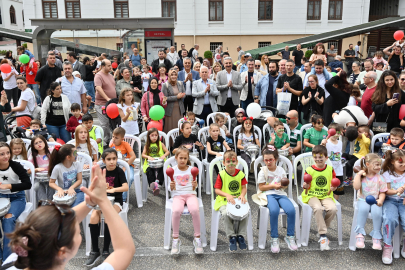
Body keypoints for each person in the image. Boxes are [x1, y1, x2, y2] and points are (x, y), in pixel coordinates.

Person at [4, 161, 135, 269]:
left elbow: (53, 224)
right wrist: (103, 200)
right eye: (77, 232)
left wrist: (89, 204)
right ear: (62, 253)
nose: (75, 221)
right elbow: (125, 250)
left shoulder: (16, 259)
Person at [85, 148, 129, 266]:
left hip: (117, 201)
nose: (112, 162)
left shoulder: (119, 171)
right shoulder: (101, 171)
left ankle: (105, 250)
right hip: (102, 200)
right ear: (103, 160)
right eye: (109, 159)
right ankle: (95, 250)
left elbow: (126, 187)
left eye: (114, 159)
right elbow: (94, 187)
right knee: (94, 216)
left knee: (109, 216)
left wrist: (114, 189)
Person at [256, 146, 298, 253]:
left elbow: (284, 186)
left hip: (281, 194)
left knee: (291, 210)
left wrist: (283, 185)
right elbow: (261, 187)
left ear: (276, 159)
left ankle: (290, 236)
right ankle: (274, 238)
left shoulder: (281, 170)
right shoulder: (263, 171)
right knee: (273, 211)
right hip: (269, 194)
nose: (269, 162)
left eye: (271, 159)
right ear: (263, 160)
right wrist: (273, 186)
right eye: (266, 160)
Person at [167, 146, 203, 255]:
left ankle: (197, 238)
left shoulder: (192, 170)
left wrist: (195, 185)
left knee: (195, 210)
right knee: (177, 211)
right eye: (180, 158)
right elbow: (170, 188)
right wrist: (171, 186)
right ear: (176, 158)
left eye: (185, 158)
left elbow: (194, 187)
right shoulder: (172, 170)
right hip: (178, 196)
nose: (182, 160)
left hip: (191, 195)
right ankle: (175, 239)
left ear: (188, 159)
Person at [301, 145, 338, 251]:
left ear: (326, 157)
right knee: (318, 208)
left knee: (333, 209)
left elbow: (334, 183)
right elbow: (305, 185)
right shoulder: (309, 170)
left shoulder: (330, 169)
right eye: (315, 157)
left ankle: (323, 229)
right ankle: (323, 236)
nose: (318, 159)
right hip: (311, 195)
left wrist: (334, 187)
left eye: (320, 157)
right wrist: (305, 186)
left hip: (326, 195)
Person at [0, 142, 31, 260]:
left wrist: (9, 186)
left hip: (17, 197)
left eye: (8, 153)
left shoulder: (15, 166)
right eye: (1, 154)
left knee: (8, 220)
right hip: (1, 197)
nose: (6, 156)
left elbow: (27, 184)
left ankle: (7, 260)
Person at [214, 150, 248, 252]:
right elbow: (217, 190)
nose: (231, 164)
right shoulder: (221, 174)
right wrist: (227, 195)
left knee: (246, 212)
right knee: (225, 213)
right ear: (224, 163)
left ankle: (241, 235)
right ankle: (232, 236)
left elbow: (244, 188)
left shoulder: (240, 174)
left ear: (237, 162)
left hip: (237, 199)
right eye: (228, 161)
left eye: (233, 161)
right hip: (224, 200)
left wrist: (242, 195)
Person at [352, 153, 386, 251]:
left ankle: (376, 236)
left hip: (375, 200)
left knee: (377, 213)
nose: (379, 167)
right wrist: (358, 174)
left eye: (379, 165)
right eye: (376, 164)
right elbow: (356, 187)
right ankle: (360, 234)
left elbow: (383, 192)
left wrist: (381, 200)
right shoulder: (362, 176)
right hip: (363, 199)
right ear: (367, 164)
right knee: (363, 209)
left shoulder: (380, 178)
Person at [380, 149, 405, 264]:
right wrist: (395, 191)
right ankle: (387, 245)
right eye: (401, 163)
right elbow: (386, 191)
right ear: (392, 162)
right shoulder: (387, 174)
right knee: (389, 219)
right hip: (390, 200)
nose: (403, 165)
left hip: (403, 202)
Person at [48, 144, 84, 208]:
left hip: (77, 191)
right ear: (68, 157)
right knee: (61, 210)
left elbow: (79, 180)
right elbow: (51, 182)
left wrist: (71, 188)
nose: (77, 155)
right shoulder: (57, 168)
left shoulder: (77, 164)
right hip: (63, 193)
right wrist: (59, 189)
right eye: (75, 153)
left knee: (75, 208)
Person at [142, 128, 170, 195]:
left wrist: (164, 156)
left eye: (156, 135)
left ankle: (157, 182)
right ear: (149, 136)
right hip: (150, 163)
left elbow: (167, 152)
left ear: (158, 136)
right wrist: (148, 156)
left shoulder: (161, 144)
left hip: (160, 162)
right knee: (149, 170)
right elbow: (143, 154)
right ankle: (154, 187)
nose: (154, 137)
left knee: (164, 168)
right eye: (152, 135)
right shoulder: (147, 145)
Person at [94, 60, 116, 145]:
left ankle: (110, 140)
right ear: (103, 66)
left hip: (112, 104)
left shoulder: (110, 75)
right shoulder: (98, 75)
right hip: (102, 104)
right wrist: (107, 98)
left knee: (111, 123)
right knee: (104, 123)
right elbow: (98, 88)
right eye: (109, 65)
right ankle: (104, 142)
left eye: (111, 65)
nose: (111, 67)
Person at [321, 123, 345, 199]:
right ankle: (325, 200)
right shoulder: (326, 142)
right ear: (329, 132)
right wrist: (323, 143)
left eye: (338, 133)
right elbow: (320, 150)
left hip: (338, 169)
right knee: (327, 185)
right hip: (328, 168)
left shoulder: (340, 143)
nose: (336, 135)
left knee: (337, 188)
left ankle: (336, 201)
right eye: (334, 133)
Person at [28, 135, 54, 201]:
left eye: (40, 142)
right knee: (37, 187)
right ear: (33, 146)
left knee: (52, 187)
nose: (39, 144)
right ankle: (44, 203)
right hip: (38, 178)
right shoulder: (33, 155)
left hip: (51, 177)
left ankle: (50, 203)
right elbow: (28, 170)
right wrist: (36, 170)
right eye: (36, 143)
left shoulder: (51, 152)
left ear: (45, 142)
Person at [162, 69, 186, 133]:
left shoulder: (180, 83)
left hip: (179, 109)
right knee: (170, 127)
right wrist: (176, 97)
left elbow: (184, 94)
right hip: (170, 110)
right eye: (172, 75)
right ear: (169, 75)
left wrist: (182, 95)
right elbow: (165, 98)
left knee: (179, 126)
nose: (174, 76)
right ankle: (170, 142)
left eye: (175, 75)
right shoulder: (165, 85)